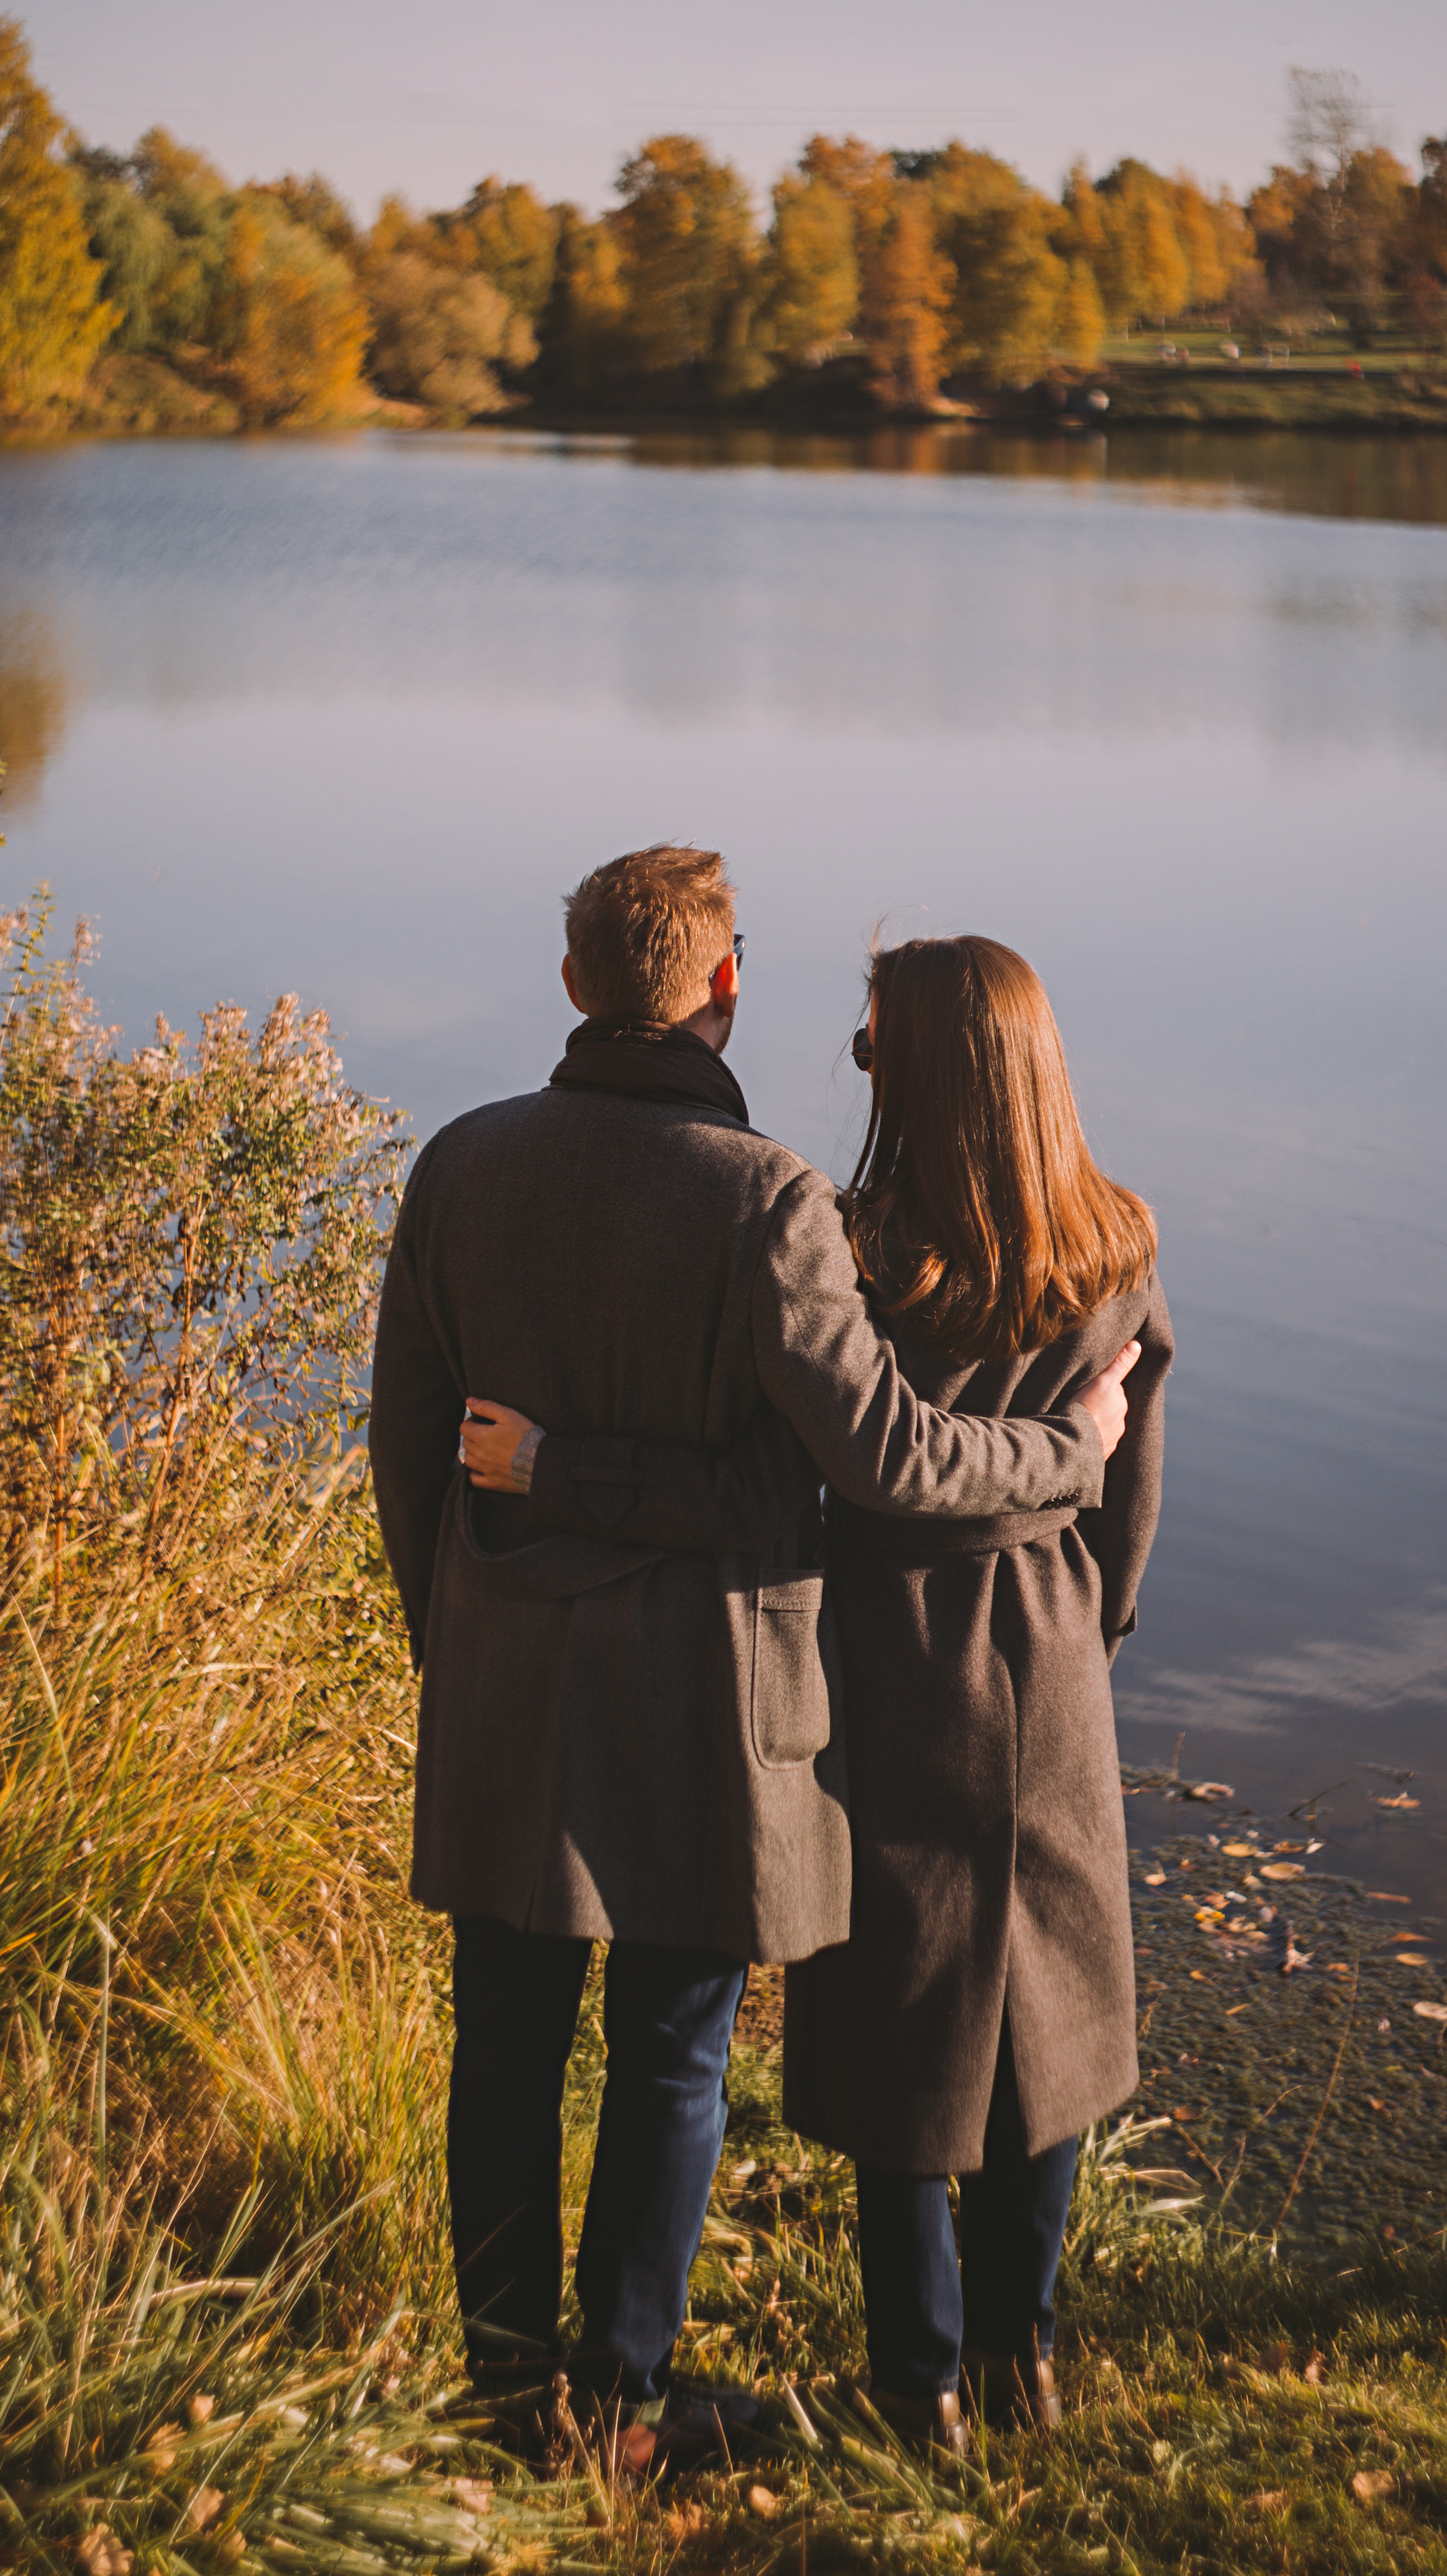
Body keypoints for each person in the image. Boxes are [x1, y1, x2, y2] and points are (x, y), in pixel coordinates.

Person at [368, 851, 1136, 2473]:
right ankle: (621, 2406)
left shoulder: (458, 1165)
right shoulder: (769, 1201)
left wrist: (467, 1636)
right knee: (671, 2057)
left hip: (505, 1678)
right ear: (725, 985)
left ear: (573, 983)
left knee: (503, 2042)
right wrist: (1074, 1455)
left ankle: (505, 2393)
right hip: (707, 1695)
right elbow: (830, 1479)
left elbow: (408, 1454)